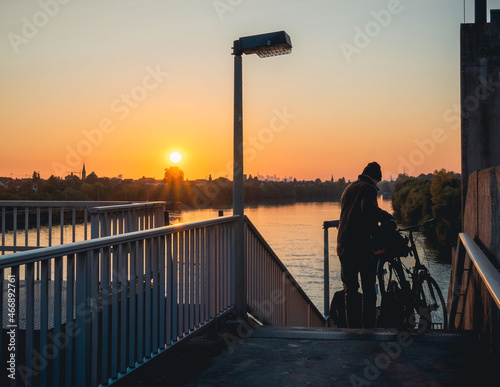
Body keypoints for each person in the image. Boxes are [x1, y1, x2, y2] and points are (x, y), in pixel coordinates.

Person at [337, 162, 394, 328]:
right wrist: (388, 217)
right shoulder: (368, 189)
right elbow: (369, 212)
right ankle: (368, 329)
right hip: (361, 247)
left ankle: (353, 331)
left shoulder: (349, 188)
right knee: (369, 289)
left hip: (343, 245)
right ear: (376, 178)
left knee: (351, 291)